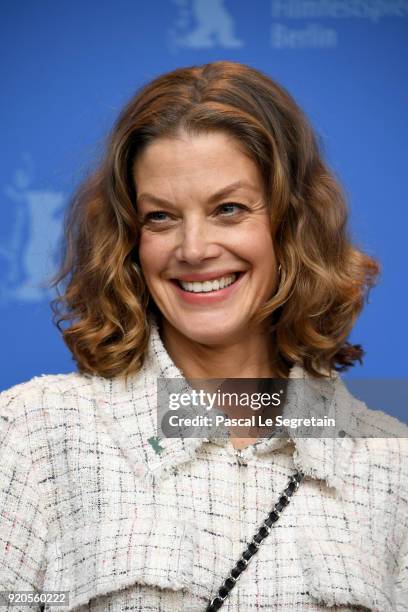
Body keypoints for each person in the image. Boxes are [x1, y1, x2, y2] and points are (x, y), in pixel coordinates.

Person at [0, 61, 407, 612]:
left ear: (291, 226)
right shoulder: (33, 437)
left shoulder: (391, 464)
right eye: (161, 217)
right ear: (129, 241)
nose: (193, 249)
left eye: (229, 209)